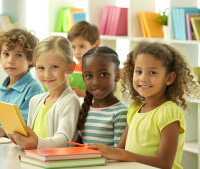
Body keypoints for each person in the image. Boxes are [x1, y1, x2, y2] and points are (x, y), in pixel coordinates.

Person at [87, 41, 200, 169]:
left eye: (152, 72)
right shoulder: (135, 108)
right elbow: (120, 150)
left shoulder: (169, 111)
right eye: (138, 71)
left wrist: (122, 155)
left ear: (169, 78)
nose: (143, 78)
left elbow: (165, 163)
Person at [9, 36, 81, 149]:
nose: (47, 74)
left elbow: (64, 140)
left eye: (54, 67)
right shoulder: (35, 101)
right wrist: (21, 138)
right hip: (35, 161)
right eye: (41, 68)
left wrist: (37, 143)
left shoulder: (70, 101)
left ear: (70, 67)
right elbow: (31, 137)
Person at [0, 28, 45, 138]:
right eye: (6, 54)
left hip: (19, 148)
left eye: (18, 55)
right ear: (0, 57)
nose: (10, 60)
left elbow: (26, 123)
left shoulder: (34, 88)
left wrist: (2, 131)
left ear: (31, 59)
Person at [77, 46, 128, 147]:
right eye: (89, 76)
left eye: (103, 74)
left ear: (117, 75)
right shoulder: (85, 110)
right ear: (83, 78)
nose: (95, 82)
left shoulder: (121, 113)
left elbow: (119, 154)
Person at [67, 21, 100, 97]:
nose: (77, 52)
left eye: (82, 46)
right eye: (73, 47)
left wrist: (83, 93)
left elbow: (106, 96)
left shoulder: (100, 70)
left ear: (96, 44)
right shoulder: (72, 69)